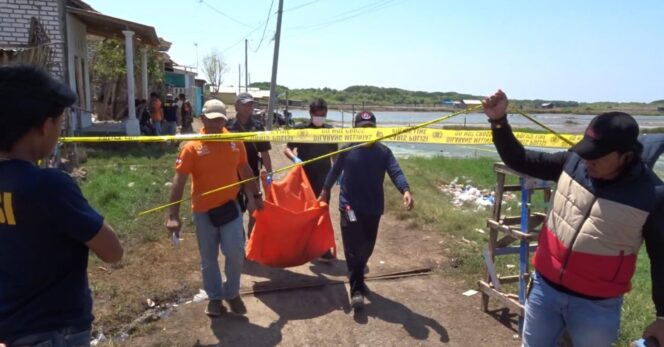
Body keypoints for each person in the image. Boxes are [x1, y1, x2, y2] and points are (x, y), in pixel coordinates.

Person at [482, 89, 664, 347]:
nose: (588, 160)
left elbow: (662, 259)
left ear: (626, 155)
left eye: (597, 155)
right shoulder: (574, 162)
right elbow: (520, 159)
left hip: (596, 306)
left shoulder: (650, 195)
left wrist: (662, 317)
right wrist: (498, 121)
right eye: (586, 151)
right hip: (545, 291)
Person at [0, 65, 123, 346]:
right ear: (44, 125)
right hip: (55, 332)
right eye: (59, 123)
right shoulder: (49, 185)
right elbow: (113, 251)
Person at [166, 99, 264, 317]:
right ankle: (214, 297)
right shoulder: (192, 148)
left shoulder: (234, 142)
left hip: (230, 208)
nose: (216, 125)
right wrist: (173, 214)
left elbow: (245, 169)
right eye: (211, 120)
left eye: (219, 120)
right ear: (203, 119)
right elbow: (179, 181)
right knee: (208, 259)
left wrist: (256, 195)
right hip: (203, 212)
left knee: (235, 252)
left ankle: (232, 293)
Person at [318, 111, 414, 311]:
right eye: (363, 127)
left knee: (367, 247)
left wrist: (405, 189)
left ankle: (358, 277)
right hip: (349, 206)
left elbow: (395, 171)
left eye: (371, 127)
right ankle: (356, 291)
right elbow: (334, 171)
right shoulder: (347, 150)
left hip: (373, 207)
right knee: (353, 248)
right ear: (356, 129)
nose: (367, 131)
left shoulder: (383, 152)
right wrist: (325, 191)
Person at [284, 98, 339, 262]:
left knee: (322, 211)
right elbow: (287, 148)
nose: (320, 117)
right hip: (304, 178)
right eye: (317, 114)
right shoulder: (301, 129)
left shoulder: (330, 131)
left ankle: (322, 248)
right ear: (310, 113)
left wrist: (338, 172)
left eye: (323, 114)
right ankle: (300, 245)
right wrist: (295, 159)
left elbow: (334, 154)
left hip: (324, 178)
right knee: (303, 212)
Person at [227, 92, 273, 237]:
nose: (249, 107)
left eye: (251, 104)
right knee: (235, 212)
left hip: (252, 175)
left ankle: (251, 240)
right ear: (236, 106)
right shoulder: (227, 127)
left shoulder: (258, 126)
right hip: (231, 176)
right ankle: (239, 239)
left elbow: (264, 152)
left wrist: (270, 174)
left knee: (254, 210)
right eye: (245, 104)